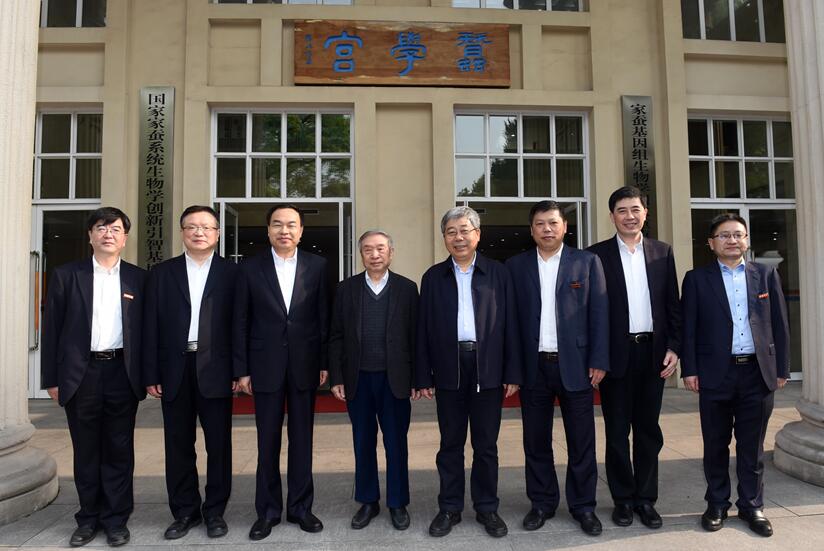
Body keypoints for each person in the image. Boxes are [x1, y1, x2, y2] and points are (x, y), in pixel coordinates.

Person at [41, 207, 146, 547]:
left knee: (119, 449)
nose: (108, 234)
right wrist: (51, 379)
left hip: (121, 373)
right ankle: (87, 519)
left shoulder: (138, 278)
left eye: (115, 229)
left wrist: (148, 374)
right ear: (90, 235)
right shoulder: (67, 275)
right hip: (80, 374)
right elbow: (52, 330)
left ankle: (116, 520)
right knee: (86, 450)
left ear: (125, 238)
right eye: (101, 228)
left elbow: (147, 333)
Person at [681, 212, 790, 538]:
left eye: (738, 234)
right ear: (711, 243)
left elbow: (779, 324)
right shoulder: (696, 279)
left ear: (746, 240)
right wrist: (690, 369)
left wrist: (781, 368)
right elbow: (689, 328)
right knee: (715, 444)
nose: (732, 240)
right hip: (715, 373)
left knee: (752, 446)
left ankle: (751, 505)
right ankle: (716, 504)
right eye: (724, 235)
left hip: (757, 373)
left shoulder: (765, 274)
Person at [416, 206, 521, 539]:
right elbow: (422, 329)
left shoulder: (499, 273)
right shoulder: (433, 277)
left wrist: (512, 371)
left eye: (464, 230)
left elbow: (512, 325)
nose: (458, 237)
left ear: (478, 234)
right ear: (444, 238)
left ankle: (487, 507)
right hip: (449, 367)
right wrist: (423, 375)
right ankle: (449, 507)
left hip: (487, 367)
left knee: (486, 445)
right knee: (450, 444)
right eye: (451, 232)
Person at [506, 200, 609, 536]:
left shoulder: (586, 262)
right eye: (540, 224)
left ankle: (584, 506)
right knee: (535, 441)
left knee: (582, 442)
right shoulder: (516, 266)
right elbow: (509, 322)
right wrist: (512, 369)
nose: (547, 229)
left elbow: (599, 314)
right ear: (531, 230)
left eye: (553, 223)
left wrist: (599, 359)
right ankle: (542, 503)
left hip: (576, 365)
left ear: (565, 227)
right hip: (534, 367)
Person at [587, 186, 681, 529]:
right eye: (622, 210)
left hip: (653, 354)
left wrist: (674, 347)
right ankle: (623, 500)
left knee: (648, 431)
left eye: (635, 209)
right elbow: (590, 312)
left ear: (645, 213)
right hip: (615, 356)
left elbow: (672, 305)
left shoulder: (661, 252)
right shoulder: (596, 256)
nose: (629, 216)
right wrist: (596, 357)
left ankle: (646, 499)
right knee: (616, 432)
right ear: (612, 216)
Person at [233, 204, 329, 540]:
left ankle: (301, 508)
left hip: (305, 364)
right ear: (268, 230)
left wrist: (324, 363)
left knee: (302, 440)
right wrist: (242, 369)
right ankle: (268, 511)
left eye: (291, 225)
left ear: (301, 231)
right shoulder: (249, 267)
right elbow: (241, 320)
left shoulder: (318, 266)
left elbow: (323, 317)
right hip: (264, 365)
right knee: (267, 441)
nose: (284, 230)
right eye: (277, 224)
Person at [143, 205, 238, 540]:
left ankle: (215, 511)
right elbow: (150, 325)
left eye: (206, 227)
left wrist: (239, 370)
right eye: (192, 227)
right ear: (182, 232)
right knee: (178, 444)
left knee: (219, 445)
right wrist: (151, 372)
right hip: (174, 368)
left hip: (217, 368)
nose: (199, 232)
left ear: (217, 234)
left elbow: (240, 324)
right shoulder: (162, 273)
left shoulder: (233, 273)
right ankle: (184, 512)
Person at [328, 230, 419, 531]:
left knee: (396, 443)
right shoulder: (346, 289)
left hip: (395, 380)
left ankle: (398, 502)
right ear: (361, 254)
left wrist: (418, 378)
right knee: (362, 442)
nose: (375, 254)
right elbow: (336, 336)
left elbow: (416, 336)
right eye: (368, 249)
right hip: (358, 380)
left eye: (380, 248)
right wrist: (337, 377)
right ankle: (368, 501)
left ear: (391, 252)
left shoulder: (407, 288)